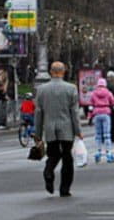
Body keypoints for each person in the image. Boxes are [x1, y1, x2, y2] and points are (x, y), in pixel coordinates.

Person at [33, 62, 83, 196]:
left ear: (50, 72)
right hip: (66, 128)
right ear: (63, 72)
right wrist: (78, 131)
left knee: (53, 154)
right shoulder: (71, 88)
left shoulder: (42, 89)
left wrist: (37, 133)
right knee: (67, 158)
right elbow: (74, 112)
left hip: (49, 128)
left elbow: (38, 113)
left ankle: (48, 171)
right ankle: (64, 189)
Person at [88, 78, 114, 164]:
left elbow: (91, 106)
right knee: (107, 135)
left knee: (98, 134)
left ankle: (98, 152)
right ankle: (108, 153)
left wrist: (89, 116)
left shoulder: (94, 93)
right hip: (106, 113)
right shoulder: (108, 93)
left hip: (97, 113)